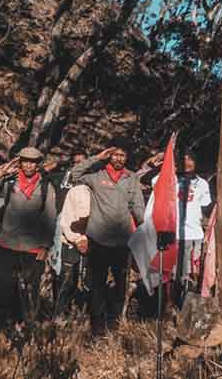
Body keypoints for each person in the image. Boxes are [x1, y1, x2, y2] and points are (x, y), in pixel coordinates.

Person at [0, 147, 57, 332]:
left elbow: (50, 216)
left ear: (38, 164)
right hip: (7, 244)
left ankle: (23, 323)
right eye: (24, 161)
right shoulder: (9, 183)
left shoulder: (45, 187)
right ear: (19, 162)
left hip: (32, 247)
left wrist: (45, 245)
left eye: (33, 161)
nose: (28, 165)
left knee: (28, 288)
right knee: (2, 286)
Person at [72, 138, 146, 334]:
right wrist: (97, 158)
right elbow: (74, 174)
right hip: (98, 239)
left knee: (120, 284)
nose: (119, 158)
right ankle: (97, 324)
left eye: (122, 155)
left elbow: (138, 206)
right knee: (96, 284)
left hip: (122, 241)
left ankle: (114, 323)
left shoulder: (131, 178)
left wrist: (144, 227)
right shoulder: (96, 175)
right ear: (109, 155)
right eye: (115, 154)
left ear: (127, 157)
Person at [173, 149, 213, 307]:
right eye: (184, 159)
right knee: (176, 273)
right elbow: (154, 180)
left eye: (191, 159)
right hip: (176, 234)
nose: (187, 162)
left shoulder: (202, 183)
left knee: (192, 272)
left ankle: (188, 306)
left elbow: (206, 205)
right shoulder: (173, 180)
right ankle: (174, 305)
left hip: (195, 234)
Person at [52, 183, 91, 319]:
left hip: (93, 241)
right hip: (71, 242)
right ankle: (61, 315)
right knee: (67, 281)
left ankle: (84, 314)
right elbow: (67, 219)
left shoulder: (101, 189)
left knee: (88, 282)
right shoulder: (78, 190)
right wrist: (77, 239)